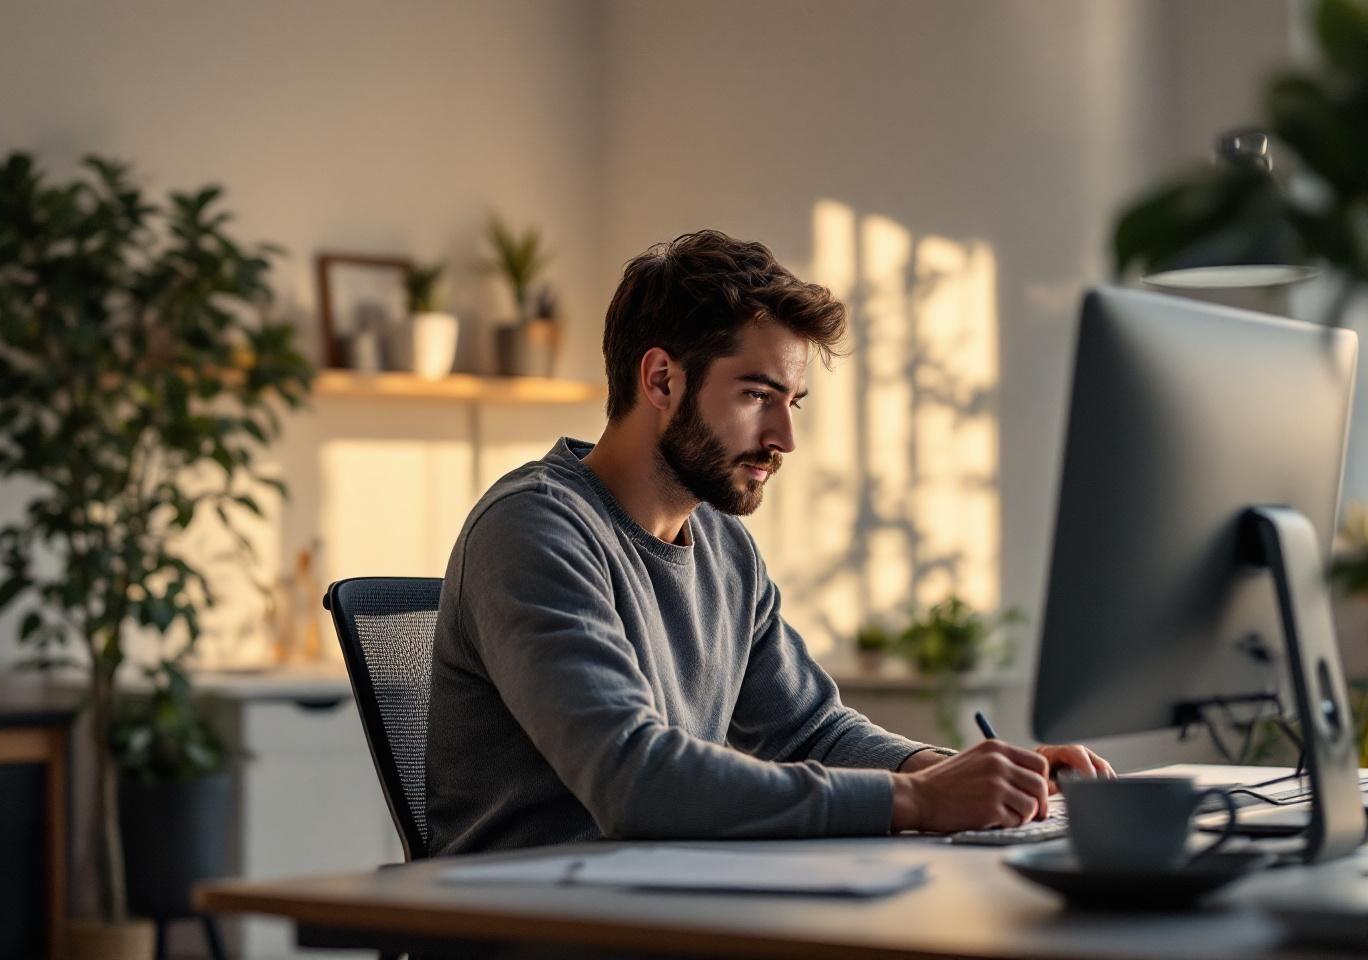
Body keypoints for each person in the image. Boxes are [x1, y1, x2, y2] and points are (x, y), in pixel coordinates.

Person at [426, 229, 1113, 856]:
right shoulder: (534, 530)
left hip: (661, 906)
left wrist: (971, 776)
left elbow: (811, 732)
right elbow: (634, 779)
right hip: (529, 924)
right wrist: (917, 802)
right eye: (758, 396)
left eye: (794, 402)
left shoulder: (723, 543)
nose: (784, 439)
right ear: (661, 379)